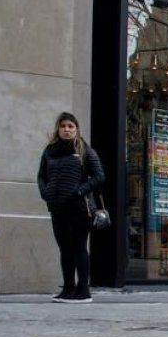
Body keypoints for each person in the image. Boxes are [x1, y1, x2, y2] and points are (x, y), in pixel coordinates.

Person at [37, 112, 103, 303]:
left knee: (79, 248)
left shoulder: (85, 150)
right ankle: (68, 288)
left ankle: (83, 291)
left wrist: (80, 190)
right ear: (58, 128)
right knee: (64, 249)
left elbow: (99, 176)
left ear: (76, 129)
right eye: (63, 126)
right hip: (57, 207)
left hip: (80, 209)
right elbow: (41, 175)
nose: (67, 129)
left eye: (70, 126)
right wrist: (45, 192)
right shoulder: (49, 151)